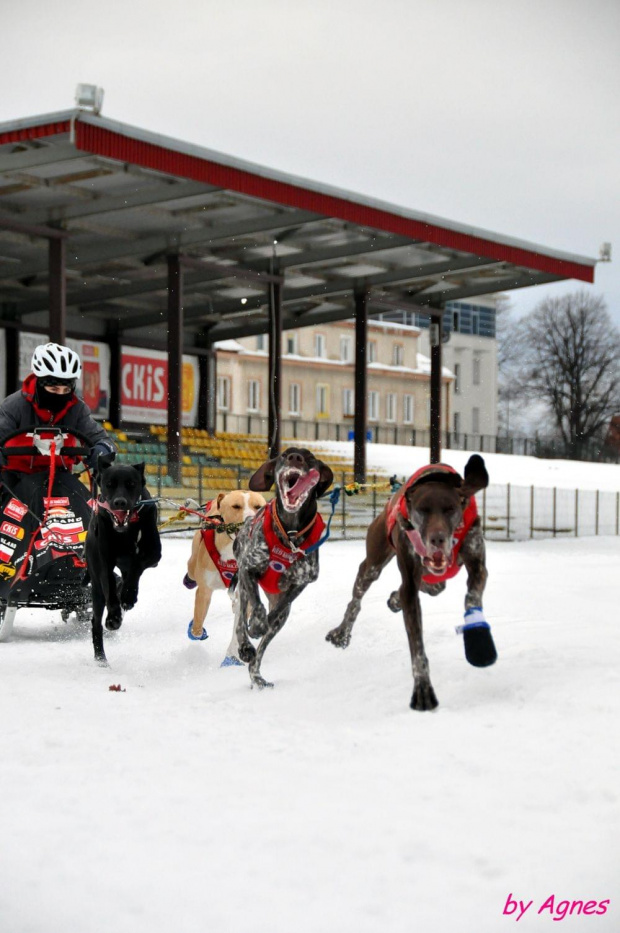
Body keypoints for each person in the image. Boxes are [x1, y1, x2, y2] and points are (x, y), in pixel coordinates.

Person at [0, 342, 116, 472]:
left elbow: (102, 439)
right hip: (16, 474)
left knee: (81, 493)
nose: (60, 395)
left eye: (66, 390)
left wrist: (103, 449)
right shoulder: (14, 405)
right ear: (40, 385)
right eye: (54, 389)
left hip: (60, 475)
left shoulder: (76, 409)